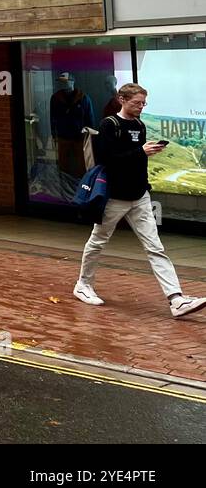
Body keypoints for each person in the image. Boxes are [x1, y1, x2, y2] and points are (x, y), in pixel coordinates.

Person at [74, 82, 206, 318]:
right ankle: (83, 285)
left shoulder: (139, 125)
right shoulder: (109, 125)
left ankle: (176, 299)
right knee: (98, 241)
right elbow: (107, 159)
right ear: (121, 99)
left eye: (144, 103)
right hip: (114, 197)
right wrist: (140, 152)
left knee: (155, 247)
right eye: (137, 103)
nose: (141, 107)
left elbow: (138, 161)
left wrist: (145, 168)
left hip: (139, 197)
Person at [49, 72, 95, 181]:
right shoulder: (56, 98)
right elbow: (53, 117)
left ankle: (81, 184)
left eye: (65, 82)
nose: (63, 84)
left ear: (72, 81)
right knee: (63, 163)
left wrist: (90, 135)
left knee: (81, 164)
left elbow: (90, 117)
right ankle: (63, 183)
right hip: (63, 136)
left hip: (79, 137)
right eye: (61, 82)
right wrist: (53, 133)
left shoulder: (83, 98)